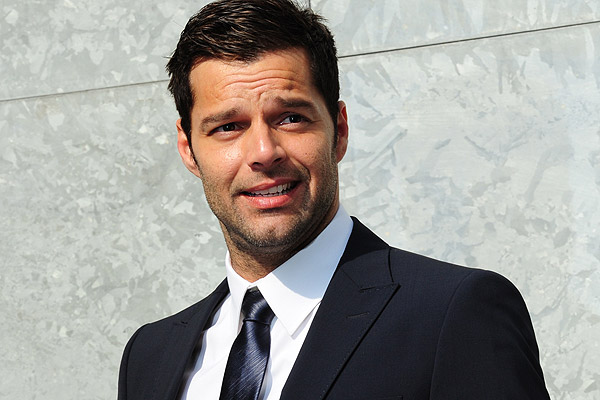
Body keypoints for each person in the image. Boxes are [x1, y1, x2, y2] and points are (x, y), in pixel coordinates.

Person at [118, 0, 551, 399]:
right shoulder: (149, 356)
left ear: (339, 131)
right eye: (228, 127)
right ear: (188, 149)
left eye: (291, 117)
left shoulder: (454, 313)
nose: (264, 152)